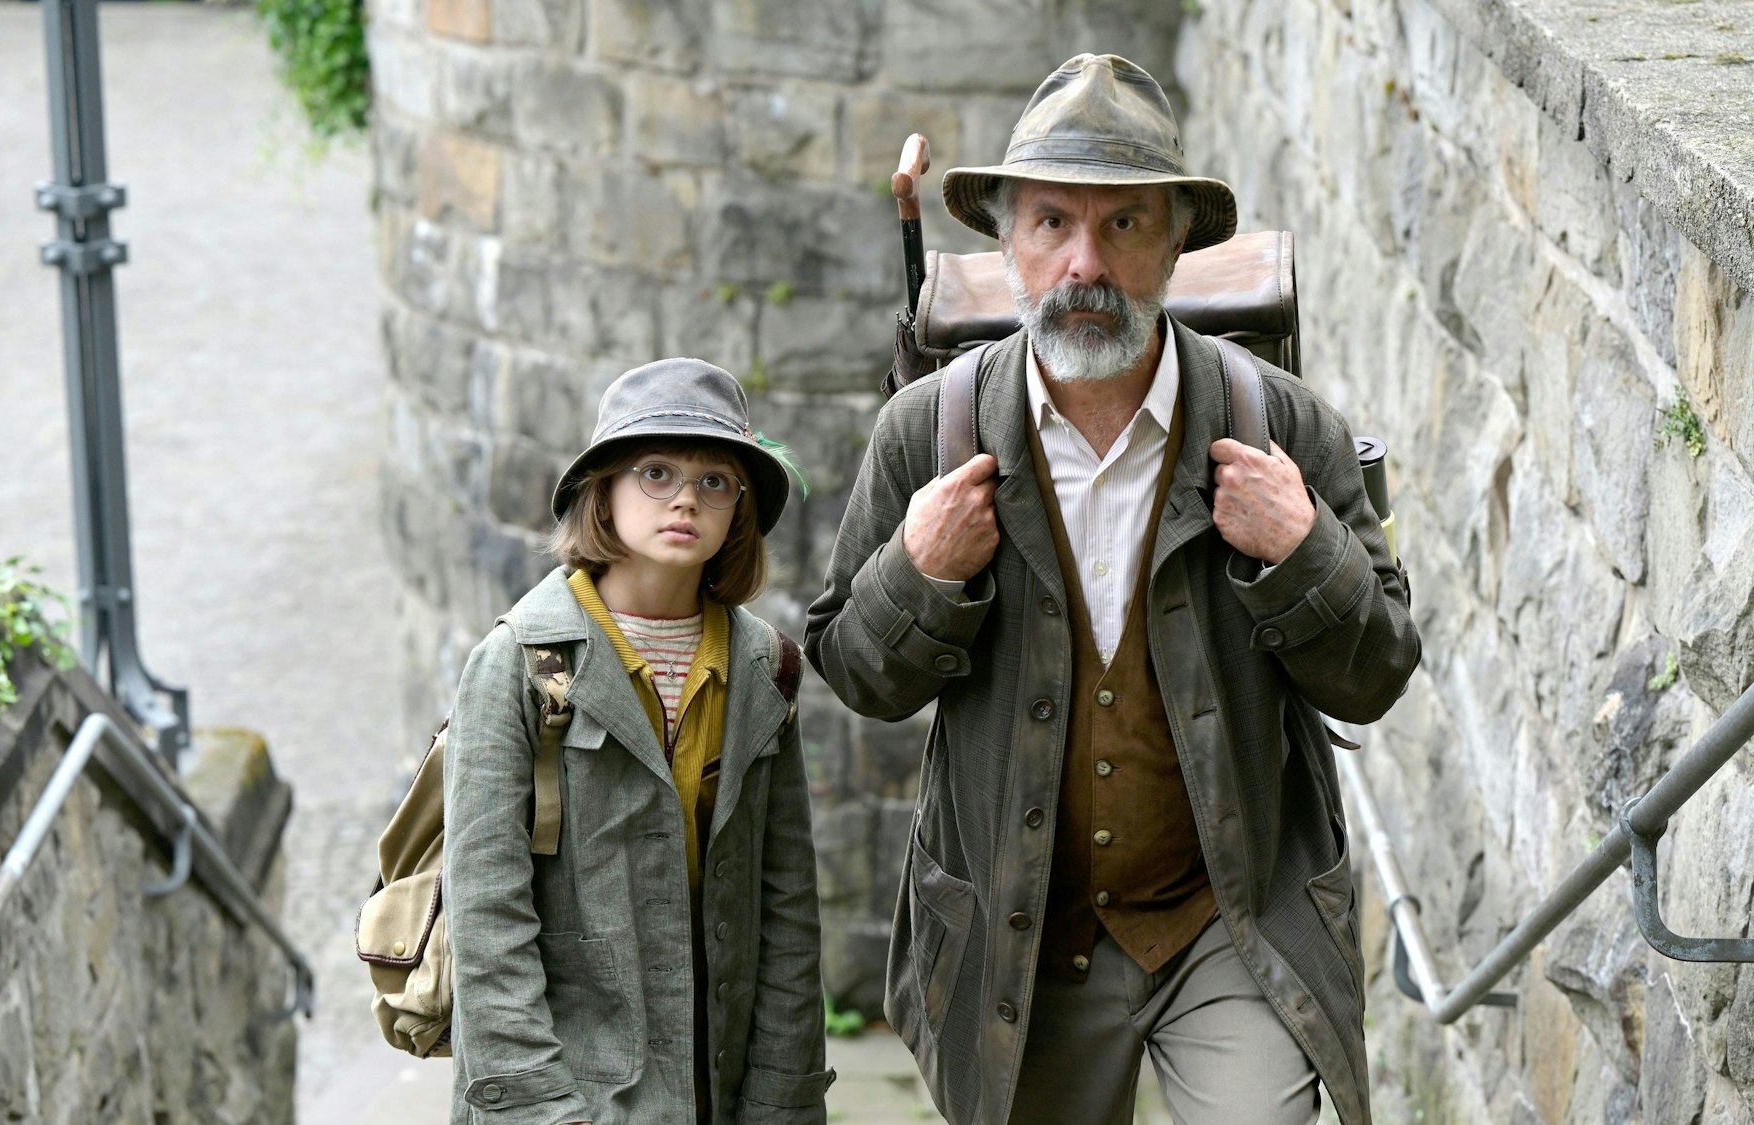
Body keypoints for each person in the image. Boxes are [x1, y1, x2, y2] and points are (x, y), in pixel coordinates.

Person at [804, 55, 1420, 1125]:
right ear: (1006, 242)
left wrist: (1300, 548)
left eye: (1124, 226)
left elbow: (1372, 678)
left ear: (1175, 242)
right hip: (1018, 938)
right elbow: (856, 675)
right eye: (1050, 225)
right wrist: (920, 572)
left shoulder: (1281, 427)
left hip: (1229, 923)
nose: (1084, 263)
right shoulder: (929, 433)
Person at [443, 358, 833, 1125]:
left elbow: (787, 906)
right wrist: (542, 1106)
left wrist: (783, 1099)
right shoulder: (521, 660)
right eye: (656, 472)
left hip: (725, 1091)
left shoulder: (769, 667)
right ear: (605, 492)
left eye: (716, 480)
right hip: (574, 1093)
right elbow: (487, 916)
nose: (687, 497)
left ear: (738, 511)